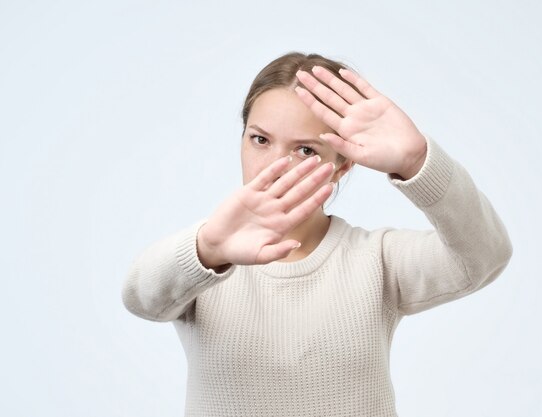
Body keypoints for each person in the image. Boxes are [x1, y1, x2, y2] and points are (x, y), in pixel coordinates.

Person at [121, 51, 513, 417]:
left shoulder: (377, 260)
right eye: (260, 140)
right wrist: (206, 249)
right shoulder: (207, 259)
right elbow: (141, 297)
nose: (275, 166)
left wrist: (417, 161)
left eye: (306, 150)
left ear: (342, 167)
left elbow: (484, 255)